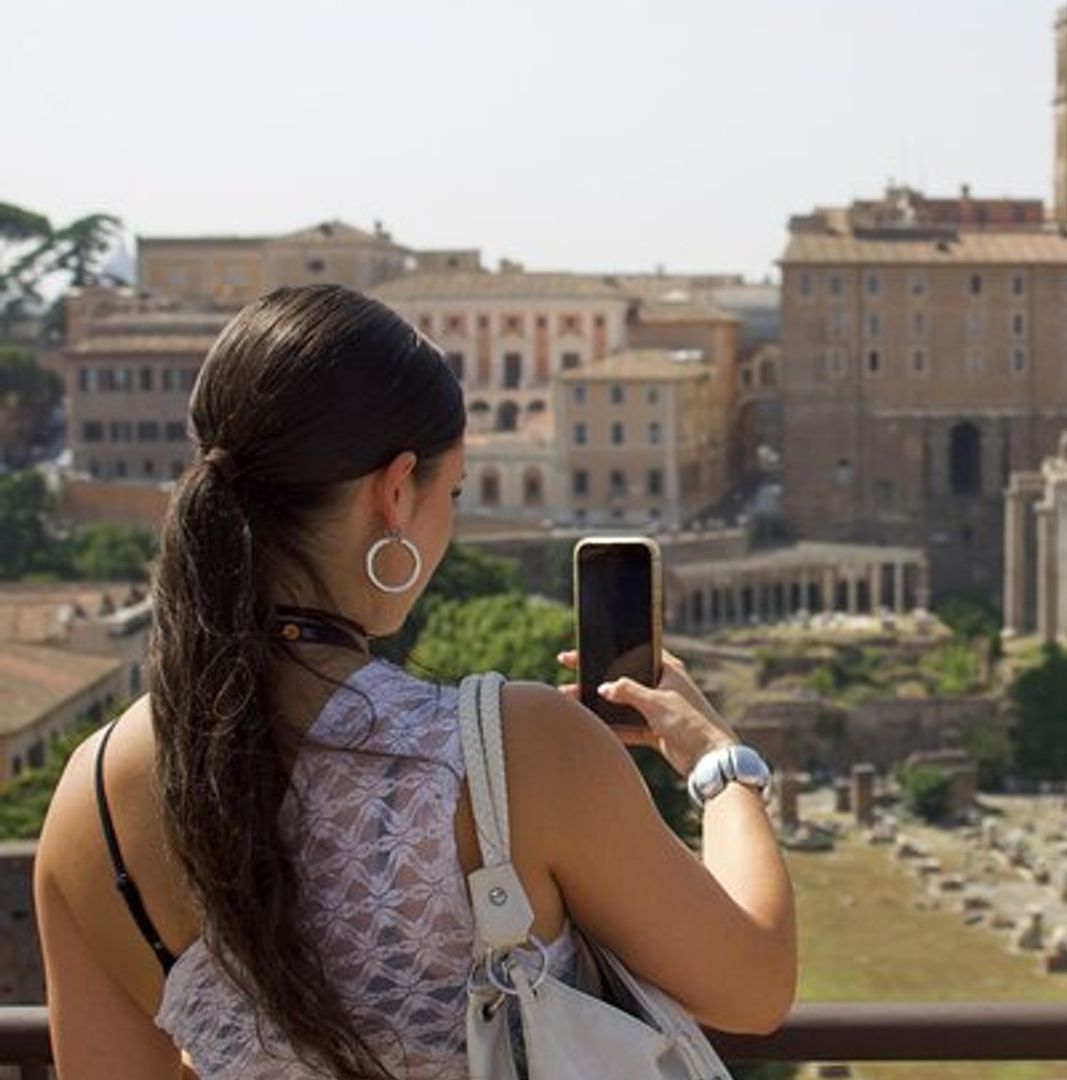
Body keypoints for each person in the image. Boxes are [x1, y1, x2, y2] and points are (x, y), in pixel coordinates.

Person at [34, 285, 795, 1079]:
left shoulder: (86, 800)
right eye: (455, 490)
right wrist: (720, 766)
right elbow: (755, 985)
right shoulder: (520, 749)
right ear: (395, 492)